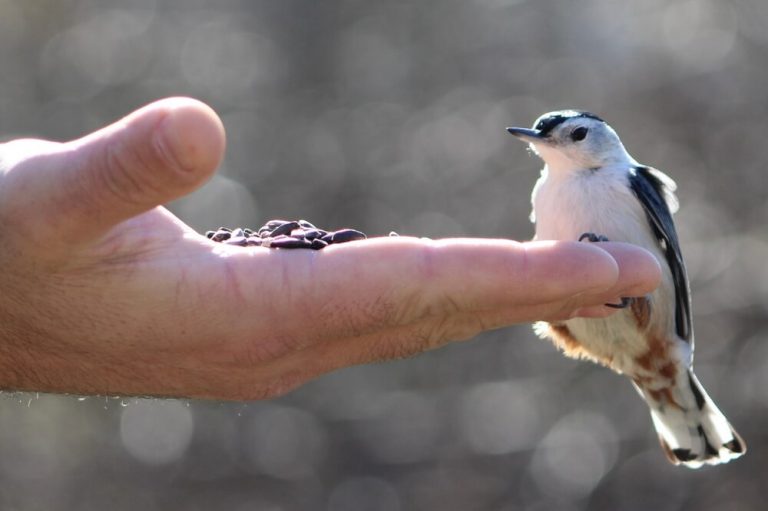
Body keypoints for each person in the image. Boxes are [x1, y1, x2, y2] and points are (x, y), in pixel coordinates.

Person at [0, 98, 661, 401]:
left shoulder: (629, 183)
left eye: (573, 137)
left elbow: (667, 268)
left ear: (601, 145)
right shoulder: (551, 189)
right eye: (549, 139)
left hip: (641, 320)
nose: (555, 147)